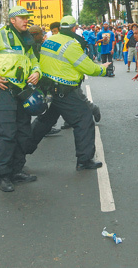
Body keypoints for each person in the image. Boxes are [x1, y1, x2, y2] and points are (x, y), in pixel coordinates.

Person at [29, 15, 109, 171]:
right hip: (65, 90)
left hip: (49, 88)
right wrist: (104, 68)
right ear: (74, 28)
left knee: (44, 121)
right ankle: (84, 161)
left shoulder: (51, 40)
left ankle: (19, 151)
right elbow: (88, 68)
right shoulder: (71, 45)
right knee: (84, 120)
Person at [0, 6, 41, 192]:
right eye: (22, 18)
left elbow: (33, 59)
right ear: (12, 20)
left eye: (27, 18)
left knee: (22, 131)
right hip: (1, 90)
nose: (26, 21)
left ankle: (17, 170)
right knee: (6, 133)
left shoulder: (26, 38)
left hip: (21, 91)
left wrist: (36, 71)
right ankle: (3, 175)